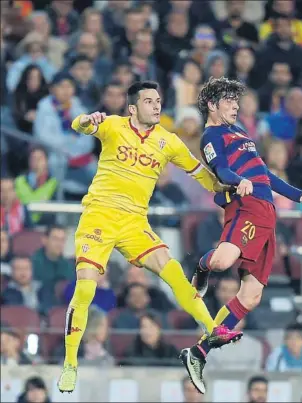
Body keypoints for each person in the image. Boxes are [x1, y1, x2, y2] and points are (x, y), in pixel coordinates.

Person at [57, 80, 242, 393]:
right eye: (149, 101)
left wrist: (224, 188)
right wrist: (88, 120)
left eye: (158, 100)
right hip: (98, 216)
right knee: (86, 288)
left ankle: (212, 329)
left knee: (173, 273)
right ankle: (70, 363)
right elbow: (79, 125)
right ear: (133, 108)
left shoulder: (167, 141)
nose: (156, 106)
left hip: (134, 223)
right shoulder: (113, 126)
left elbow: (197, 171)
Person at [180, 77, 302, 394]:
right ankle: (202, 267)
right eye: (229, 101)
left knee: (251, 296)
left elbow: (266, 175)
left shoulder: (241, 133)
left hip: (267, 217)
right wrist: (236, 181)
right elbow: (220, 170)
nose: (235, 105)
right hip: (245, 210)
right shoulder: (211, 135)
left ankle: (199, 352)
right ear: (213, 104)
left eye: (236, 101)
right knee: (223, 261)